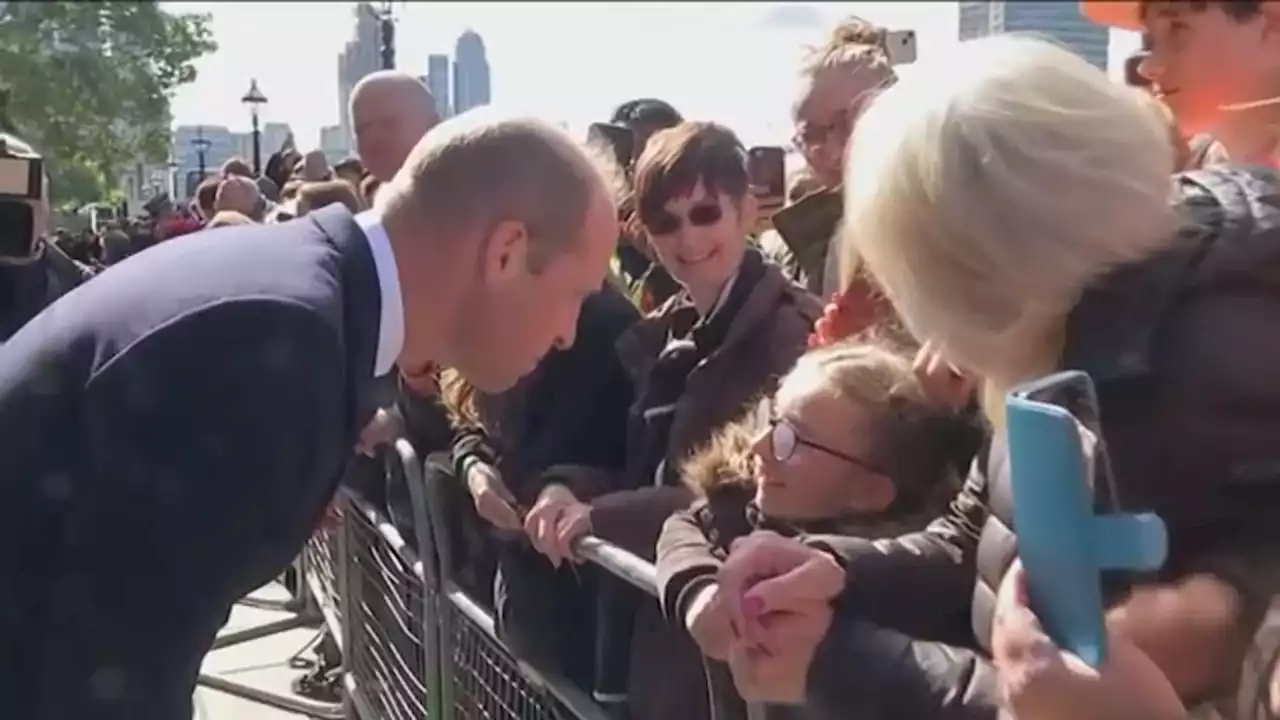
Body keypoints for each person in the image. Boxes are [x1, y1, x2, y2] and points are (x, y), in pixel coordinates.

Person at [713, 35, 1280, 719]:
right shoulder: (1071, 339)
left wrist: (836, 663)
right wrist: (838, 572)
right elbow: (976, 536)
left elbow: (1064, 694)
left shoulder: (1178, 398)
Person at [0, 109, 619, 719]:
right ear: (506, 253)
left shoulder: (298, 308)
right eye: (576, 295)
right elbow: (107, 676)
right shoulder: (284, 343)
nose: (569, 332)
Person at [350, 70, 441, 182]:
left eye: (388, 123)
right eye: (362, 129)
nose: (373, 138)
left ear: (432, 126)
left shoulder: (463, 191)